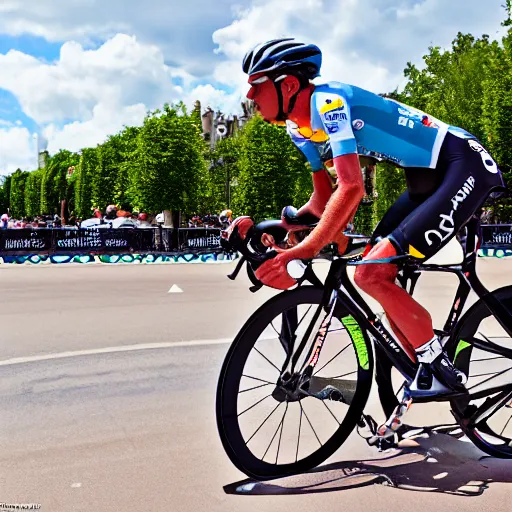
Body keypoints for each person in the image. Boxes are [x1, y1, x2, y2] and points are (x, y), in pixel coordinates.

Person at [242, 37, 506, 398]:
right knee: (376, 271)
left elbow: (352, 189)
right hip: (424, 181)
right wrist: (286, 225)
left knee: (371, 273)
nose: (250, 97)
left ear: (288, 85)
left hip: (463, 163)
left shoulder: (329, 102)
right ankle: (422, 367)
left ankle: (439, 368)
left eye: (256, 86)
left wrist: (304, 250)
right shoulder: (298, 129)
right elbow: (322, 200)